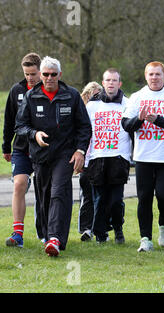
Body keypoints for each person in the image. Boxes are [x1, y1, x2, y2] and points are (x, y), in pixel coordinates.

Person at [15, 56, 92, 256]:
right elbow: (20, 126)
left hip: (64, 154)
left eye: (53, 74)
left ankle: (55, 239)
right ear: (40, 75)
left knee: (59, 192)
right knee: (45, 197)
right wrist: (35, 134)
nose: (49, 78)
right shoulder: (31, 97)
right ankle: (47, 235)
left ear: (60, 75)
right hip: (40, 156)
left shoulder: (72, 96)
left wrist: (80, 151)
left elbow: (84, 127)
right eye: (46, 74)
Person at [122, 61, 164, 252]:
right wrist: (140, 120)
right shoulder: (137, 96)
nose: (154, 78)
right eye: (151, 74)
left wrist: (156, 119)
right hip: (143, 157)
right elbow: (126, 124)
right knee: (145, 198)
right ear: (145, 76)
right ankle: (145, 238)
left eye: (158, 74)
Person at [85, 69, 132, 244]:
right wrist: (85, 156)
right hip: (97, 157)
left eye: (114, 80)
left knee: (116, 200)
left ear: (119, 84)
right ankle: (100, 234)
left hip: (119, 157)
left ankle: (118, 229)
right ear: (103, 83)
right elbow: (85, 132)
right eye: (107, 80)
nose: (111, 83)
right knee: (99, 200)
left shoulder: (128, 104)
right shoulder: (92, 106)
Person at [3, 52, 43, 247]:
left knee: (44, 189)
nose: (30, 78)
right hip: (21, 148)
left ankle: (45, 231)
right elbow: (9, 120)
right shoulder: (16, 90)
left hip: (44, 148)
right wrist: (5, 146)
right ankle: (17, 233)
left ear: (41, 71)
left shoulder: (49, 89)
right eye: (27, 74)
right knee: (19, 184)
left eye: (33, 74)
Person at [78, 81, 102, 241]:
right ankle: (86, 228)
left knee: (99, 195)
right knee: (86, 194)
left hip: (99, 157)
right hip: (85, 158)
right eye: (94, 95)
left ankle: (98, 227)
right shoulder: (81, 111)